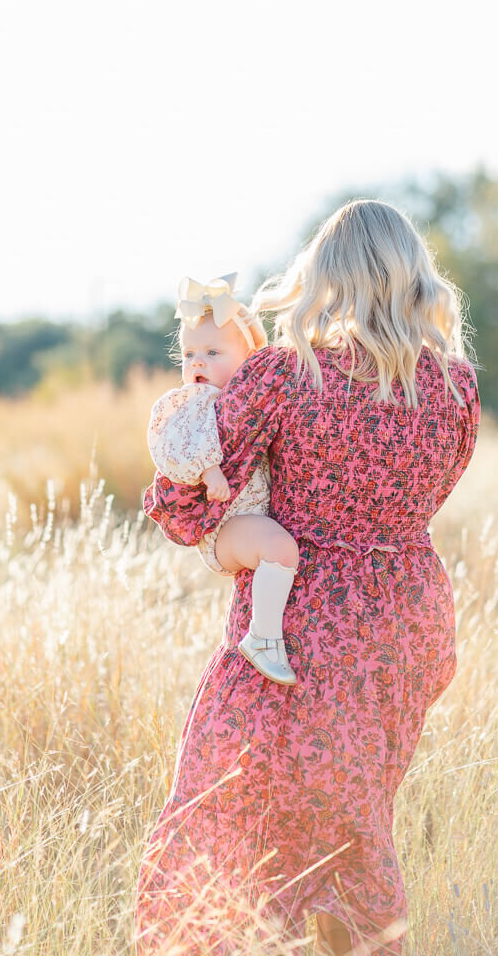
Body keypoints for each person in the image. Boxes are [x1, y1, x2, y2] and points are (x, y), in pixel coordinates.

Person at [134, 198, 481, 956]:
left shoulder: (287, 373)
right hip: (405, 625)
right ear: (414, 279)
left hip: (299, 627)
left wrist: (227, 543)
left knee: (224, 820)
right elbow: (428, 502)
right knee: (351, 825)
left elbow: (180, 489)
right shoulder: (455, 390)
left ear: (321, 276)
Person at [147, 272, 301, 685]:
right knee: (279, 549)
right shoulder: (189, 401)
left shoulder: (249, 400)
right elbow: (168, 443)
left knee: (278, 548)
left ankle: (264, 631)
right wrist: (207, 468)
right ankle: (263, 638)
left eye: (213, 351)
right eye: (189, 353)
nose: (198, 362)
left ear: (251, 357)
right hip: (224, 527)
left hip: (248, 514)